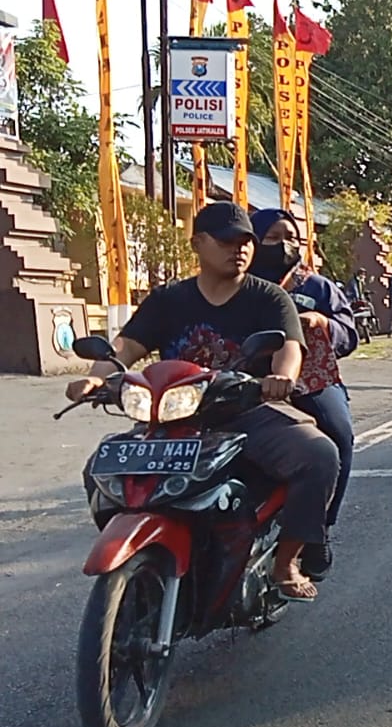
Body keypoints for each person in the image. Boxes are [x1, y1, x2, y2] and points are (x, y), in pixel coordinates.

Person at [67, 203, 338, 602]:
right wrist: (96, 377)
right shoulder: (168, 300)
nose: (240, 249)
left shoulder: (269, 298)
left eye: (246, 241)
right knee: (101, 470)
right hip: (170, 418)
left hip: (245, 413)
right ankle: (141, 560)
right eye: (228, 241)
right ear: (198, 243)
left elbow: (289, 347)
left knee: (319, 454)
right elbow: (125, 346)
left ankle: (286, 562)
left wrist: (282, 378)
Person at [248, 209, 358, 581]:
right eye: (273, 237)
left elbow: (350, 332)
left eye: (291, 237)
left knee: (338, 435)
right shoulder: (237, 287)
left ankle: (319, 529)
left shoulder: (317, 287)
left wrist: (324, 323)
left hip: (310, 382)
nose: (285, 246)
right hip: (245, 385)